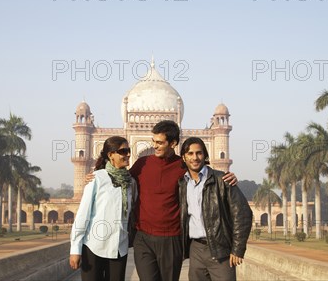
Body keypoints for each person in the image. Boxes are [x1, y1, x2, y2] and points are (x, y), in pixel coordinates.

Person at [85, 120, 237, 281]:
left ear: (173, 143)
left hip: (171, 238)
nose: (155, 146)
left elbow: (205, 176)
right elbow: (120, 178)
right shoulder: (143, 163)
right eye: (153, 141)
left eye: (160, 142)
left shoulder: (182, 166)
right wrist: (98, 175)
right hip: (143, 238)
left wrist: (227, 177)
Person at [179, 137, 253, 281]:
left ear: (205, 155)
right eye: (190, 153)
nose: (195, 158)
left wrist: (237, 249)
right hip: (196, 249)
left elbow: (243, 214)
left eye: (199, 153)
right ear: (184, 157)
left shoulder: (222, 180)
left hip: (220, 249)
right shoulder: (182, 183)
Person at [70, 136, 136, 281]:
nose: (128, 155)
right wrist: (75, 248)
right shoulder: (97, 178)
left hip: (120, 247)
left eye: (128, 150)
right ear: (110, 155)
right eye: (123, 151)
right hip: (94, 246)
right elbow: (83, 214)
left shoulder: (130, 182)